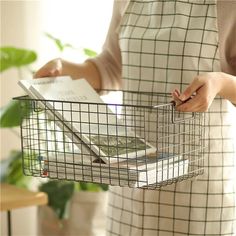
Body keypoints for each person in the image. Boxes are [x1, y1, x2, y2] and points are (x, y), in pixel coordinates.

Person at [35, 0, 236, 235]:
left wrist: (220, 82)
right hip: (131, 177)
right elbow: (110, 67)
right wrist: (65, 69)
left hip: (199, 182)